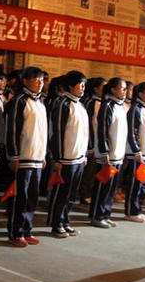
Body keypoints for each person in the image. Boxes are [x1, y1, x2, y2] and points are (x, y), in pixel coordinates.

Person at [4, 67, 48, 247]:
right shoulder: (19, 101)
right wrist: (14, 156)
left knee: (32, 197)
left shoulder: (40, 102)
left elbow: (43, 132)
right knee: (19, 197)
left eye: (42, 80)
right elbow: (12, 131)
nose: (40, 83)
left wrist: (43, 155)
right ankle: (16, 232)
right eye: (36, 79)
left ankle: (27, 229)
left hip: (37, 157)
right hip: (23, 157)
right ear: (25, 81)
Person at [46, 70, 89, 238]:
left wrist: (84, 154)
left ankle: (65, 221)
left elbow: (84, 132)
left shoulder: (80, 105)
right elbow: (56, 132)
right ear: (70, 86)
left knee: (71, 194)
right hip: (65, 158)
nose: (83, 88)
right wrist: (57, 158)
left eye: (84, 85)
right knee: (61, 193)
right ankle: (56, 223)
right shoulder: (62, 104)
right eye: (80, 85)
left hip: (78, 158)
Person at [89, 77, 128, 229]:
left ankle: (105, 214)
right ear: (113, 89)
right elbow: (102, 131)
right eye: (122, 88)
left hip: (118, 154)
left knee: (111, 188)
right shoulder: (107, 106)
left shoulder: (121, 106)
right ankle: (96, 216)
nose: (125, 91)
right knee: (102, 187)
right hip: (107, 155)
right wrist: (104, 152)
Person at [124, 82, 145, 222]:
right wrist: (137, 151)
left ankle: (138, 210)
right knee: (135, 185)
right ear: (140, 94)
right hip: (138, 156)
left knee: (144, 185)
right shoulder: (135, 110)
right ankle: (131, 211)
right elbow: (132, 132)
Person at [79, 77, 105, 205]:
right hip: (92, 144)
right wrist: (89, 145)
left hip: (101, 144)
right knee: (89, 171)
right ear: (95, 89)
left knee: (98, 171)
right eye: (103, 87)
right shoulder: (90, 102)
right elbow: (88, 125)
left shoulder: (104, 103)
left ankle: (94, 193)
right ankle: (85, 194)